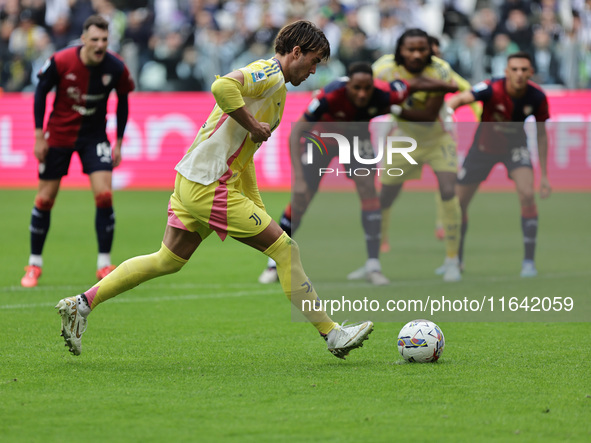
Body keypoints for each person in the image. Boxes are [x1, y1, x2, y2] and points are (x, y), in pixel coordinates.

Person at [55, 20, 374, 360]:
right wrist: (252, 124)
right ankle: (332, 333)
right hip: (210, 185)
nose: (314, 70)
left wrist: (256, 202)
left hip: (195, 180)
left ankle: (81, 304)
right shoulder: (268, 73)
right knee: (286, 250)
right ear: (296, 52)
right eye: (313, 61)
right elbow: (222, 88)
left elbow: (245, 155)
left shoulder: (276, 87)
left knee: (166, 260)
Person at [258, 61, 458, 286]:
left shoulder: (386, 94)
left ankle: (373, 266)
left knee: (369, 192)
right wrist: (300, 179)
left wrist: (445, 86)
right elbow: (296, 133)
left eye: (367, 88)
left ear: (374, 85)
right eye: (356, 88)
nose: (362, 94)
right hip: (323, 139)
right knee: (301, 199)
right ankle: (273, 264)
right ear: (348, 85)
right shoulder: (331, 95)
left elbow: (415, 82)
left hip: (356, 141)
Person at [21, 15, 135, 288]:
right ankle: (34, 264)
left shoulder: (116, 67)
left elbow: (123, 102)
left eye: (104, 40)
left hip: (94, 137)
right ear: (83, 39)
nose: (100, 45)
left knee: (105, 194)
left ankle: (104, 264)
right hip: (59, 135)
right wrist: (39, 135)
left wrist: (118, 141)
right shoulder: (61, 61)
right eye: (94, 40)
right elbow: (40, 93)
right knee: (45, 199)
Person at [446, 51, 551, 277]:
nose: (519, 74)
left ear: (531, 72)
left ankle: (528, 263)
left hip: (515, 147)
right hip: (483, 148)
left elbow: (542, 135)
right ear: (506, 72)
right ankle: (455, 261)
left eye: (524, 70)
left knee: (526, 194)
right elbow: (459, 99)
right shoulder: (490, 88)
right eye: (514, 69)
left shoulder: (537, 97)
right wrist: (448, 115)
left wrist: (544, 175)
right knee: (458, 204)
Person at [372, 28, 462, 282]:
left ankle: (452, 260)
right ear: (400, 50)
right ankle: (374, 258)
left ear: (430, 51)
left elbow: (427, 116)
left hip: (437, 137)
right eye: (410, 49)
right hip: (403, 138)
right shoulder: (383, 68)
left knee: (447, 189)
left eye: (422, 49)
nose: (416, 54)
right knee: (386, 196)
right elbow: (365, 90)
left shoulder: (440, 70)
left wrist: (391, 106)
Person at [428, 35, 482, 243]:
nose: (435, 57)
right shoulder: (409, 72)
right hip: (410, 131)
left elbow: (468, 90)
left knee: (446, 180)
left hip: (440, 131)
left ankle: (442, 222)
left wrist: (479, 118)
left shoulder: (444, 71)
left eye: (437, 53)